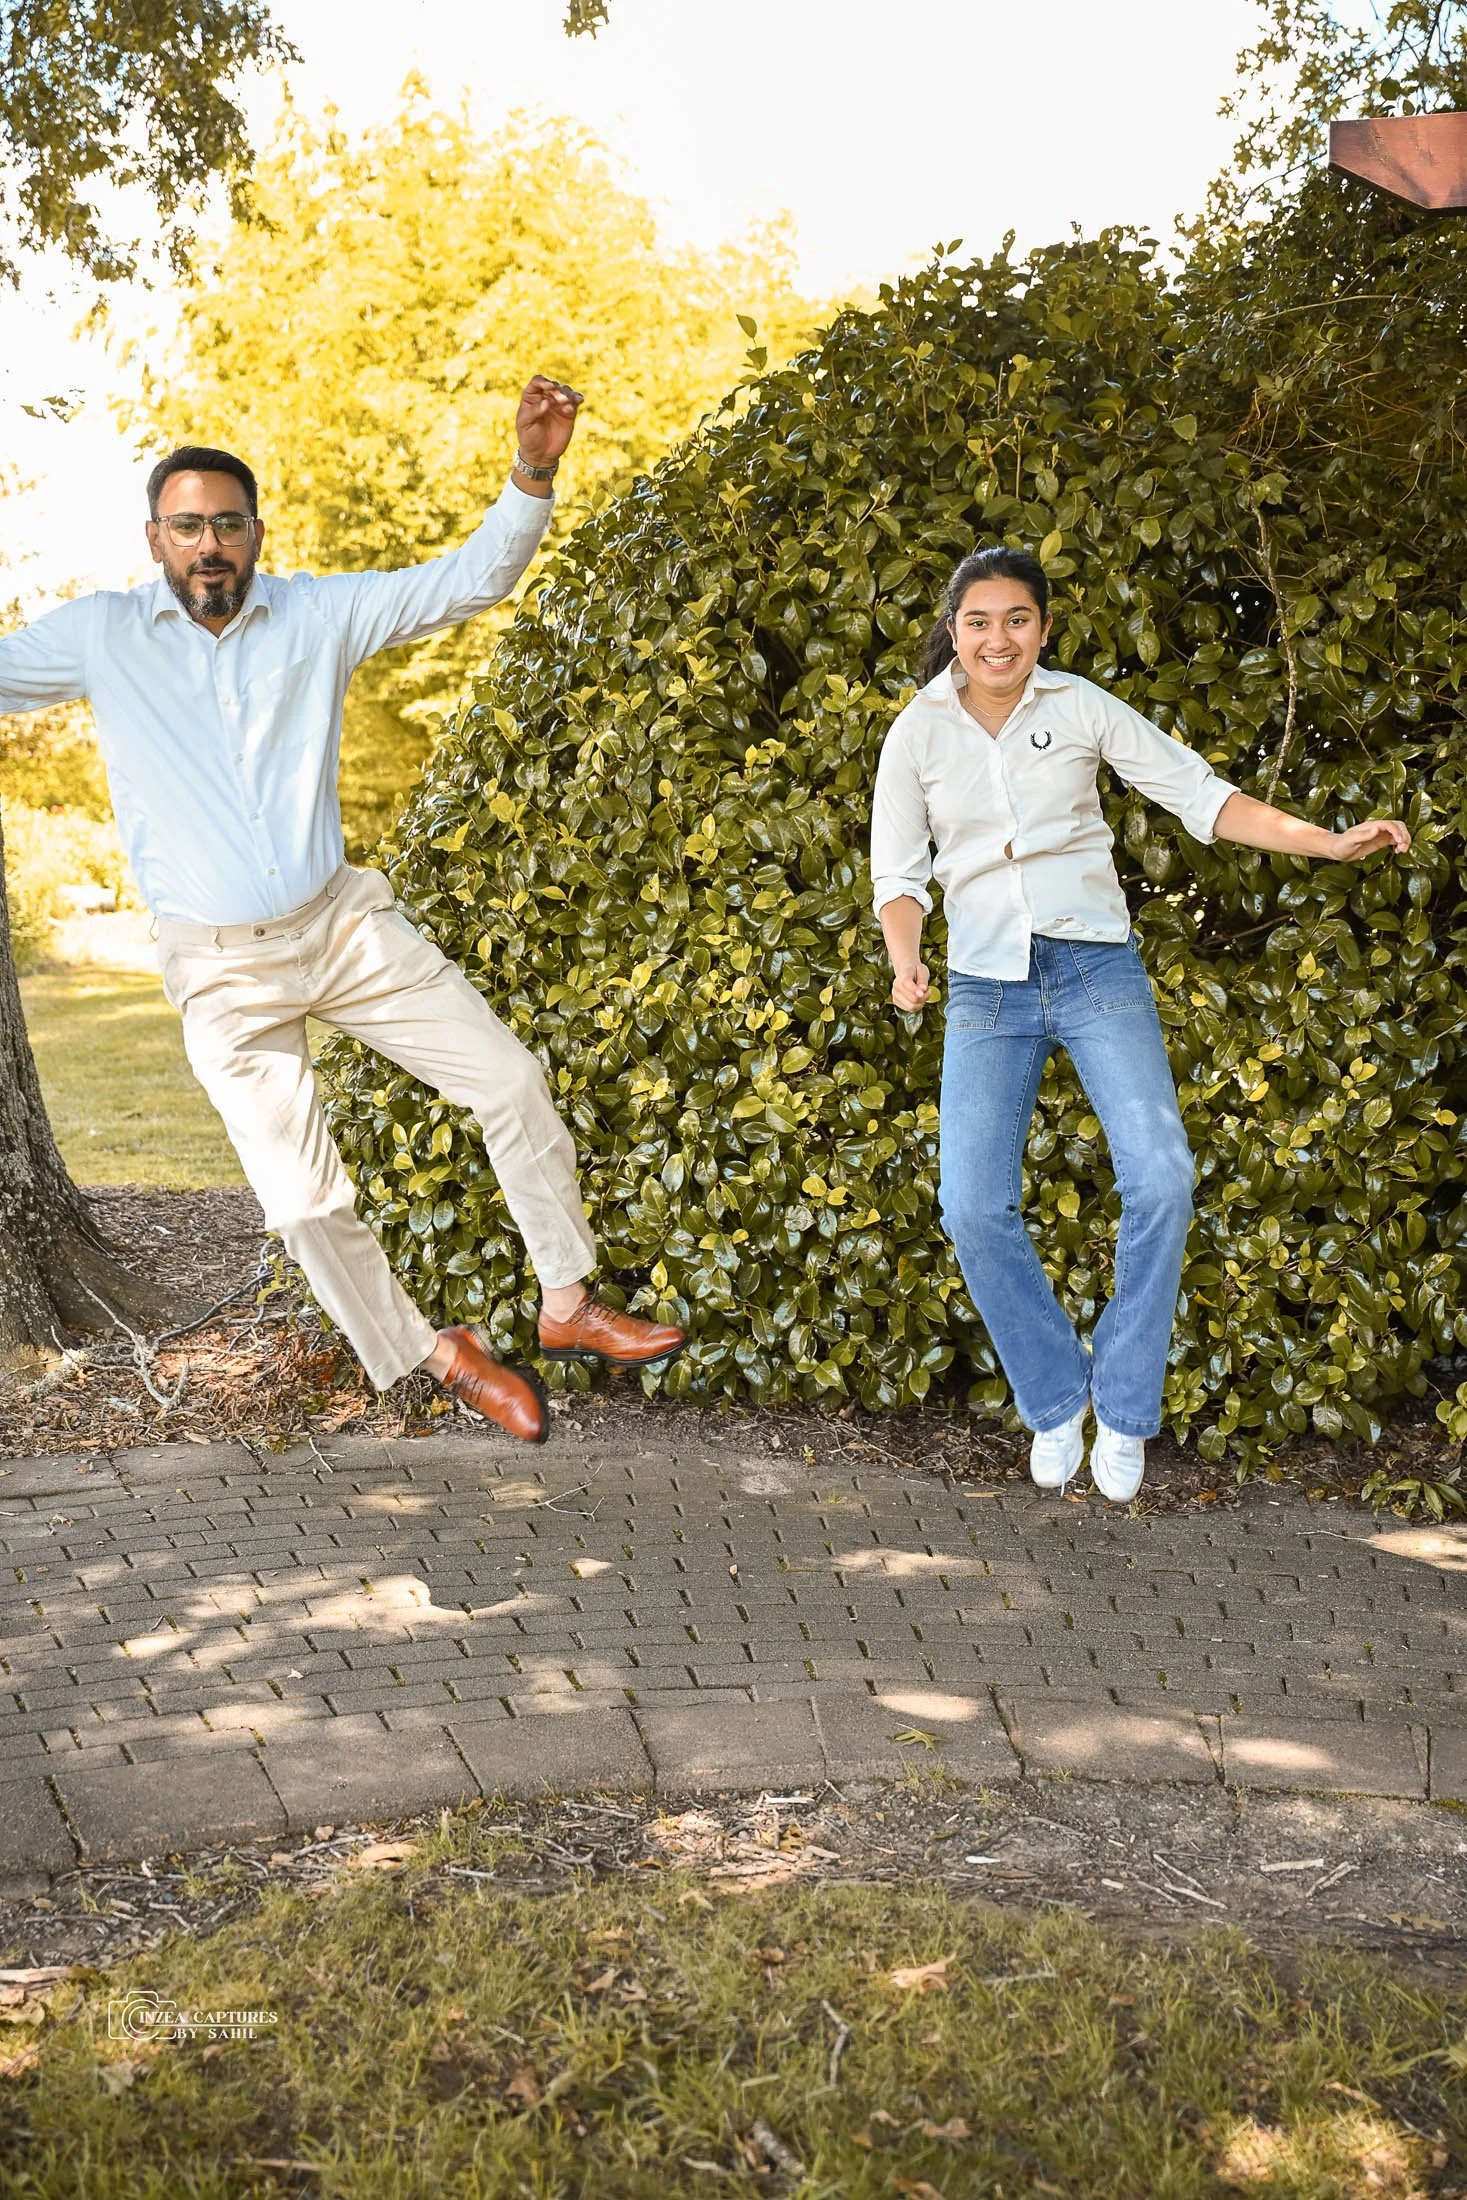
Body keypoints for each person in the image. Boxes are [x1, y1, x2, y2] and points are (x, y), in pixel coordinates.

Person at [0, 376, 685, 1441]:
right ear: (155, 540)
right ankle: (434, 1354)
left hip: (346, 929)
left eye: (227, 523)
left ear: (256, 532)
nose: (210, 544)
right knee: (306, 1204)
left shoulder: (316, 612)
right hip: (221, 971)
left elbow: (469, 581)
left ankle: (567, 1304)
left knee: (507, 1078)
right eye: (188, 526)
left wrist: (534, 472)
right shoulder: (102, 637)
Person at [870, 545, 1410, 1501]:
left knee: (1162, 1178)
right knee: (968, 1206)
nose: (1000, 638)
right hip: (986, 987)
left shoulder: (1078, 706)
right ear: (952, 628)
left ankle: (1120, 1407)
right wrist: (904, 955)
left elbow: (1199, 795)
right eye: (980, 621)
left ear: (1042, 626)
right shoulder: (915, 732)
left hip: (1093, 968)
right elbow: (898, 874)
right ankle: (1050, 1397)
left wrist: (1325, 843)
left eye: (1018, 620)